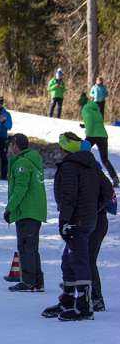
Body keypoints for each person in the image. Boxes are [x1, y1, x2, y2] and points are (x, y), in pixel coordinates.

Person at [42, 132, 112, 321]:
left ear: (65, 148)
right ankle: (68, 300)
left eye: (61, 147)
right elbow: (108, 191)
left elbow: (68, 197)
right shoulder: (91, 164)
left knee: (79, 261)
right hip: (86, 220)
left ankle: (83, 307)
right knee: (68, 261)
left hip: (76, 222)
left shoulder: (70, 167)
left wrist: (65, 220)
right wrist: (93, 209)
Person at [4, 134, 47, 292]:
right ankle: (37, 281)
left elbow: (20, 189)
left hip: (27, 211)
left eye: (10, 145)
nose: (9, 149)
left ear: (15, 145)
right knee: (31, 247)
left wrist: (10, 208)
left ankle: (28, 281)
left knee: (26, 247)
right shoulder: (31, 160)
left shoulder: (22, 163)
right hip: (33, 211)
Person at [87, 141, 115, 312]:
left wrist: (94, 210)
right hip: (93, 220)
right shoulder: (92, 175)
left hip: (97, 222)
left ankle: (97, 298)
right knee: (83, 258)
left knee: (89, 259)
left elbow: (109, 198)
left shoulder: (97, 177)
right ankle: (81, 288)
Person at [80, 93, 119, 186]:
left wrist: (87, 134)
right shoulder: (96, 109)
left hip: (92, 134)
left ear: (82, 103)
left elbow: (89, 121)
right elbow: (96, 121)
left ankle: (85, 176)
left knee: (82, 153)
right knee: (105, 159)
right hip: (103, 135)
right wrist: (84, 125)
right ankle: (115, 178)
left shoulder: (85, 109)